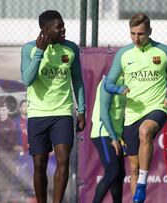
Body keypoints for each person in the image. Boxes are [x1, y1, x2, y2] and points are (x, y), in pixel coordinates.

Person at [104, 13, 167, 203]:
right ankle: (137, 197)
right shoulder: (124, 54)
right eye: (132, 34)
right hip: (132, 113)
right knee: (133, 167)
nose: (136, 39)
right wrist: (117, 88)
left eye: (141, 34)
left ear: (150, 32)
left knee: (145, 131)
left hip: (157, 107)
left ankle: (142, 183)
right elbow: (108, 83)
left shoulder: (163, 51)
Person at [20, 10, 86, 203]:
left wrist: (81, 109)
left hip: (63, 112)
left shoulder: (71, 49)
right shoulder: (29, 49)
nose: (63, 30)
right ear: (46, 30)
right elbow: (27, 80)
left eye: (63, 25)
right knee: (39, 163)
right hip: (37, 113)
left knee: (63, 159)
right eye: (59, 27)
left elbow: (78, 81)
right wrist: (40, 52)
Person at [90, 77, 126, 203]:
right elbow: (103, 113)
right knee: (112, 170)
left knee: (120, 174)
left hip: (117, 134)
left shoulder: (128, 81)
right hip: (104, 133)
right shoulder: (108, 82)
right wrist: (113, 137)